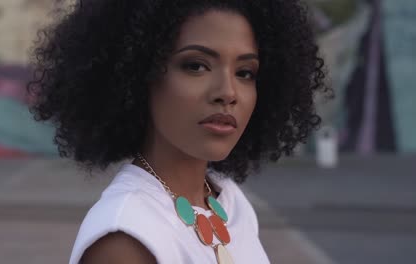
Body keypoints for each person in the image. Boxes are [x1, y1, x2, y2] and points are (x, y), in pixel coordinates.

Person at [28, 0, 329, 263]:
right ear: (138, 75)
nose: (228, 92)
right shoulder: (126, 238)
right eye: (196, 66)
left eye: (245, 72)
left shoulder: (230, 201)